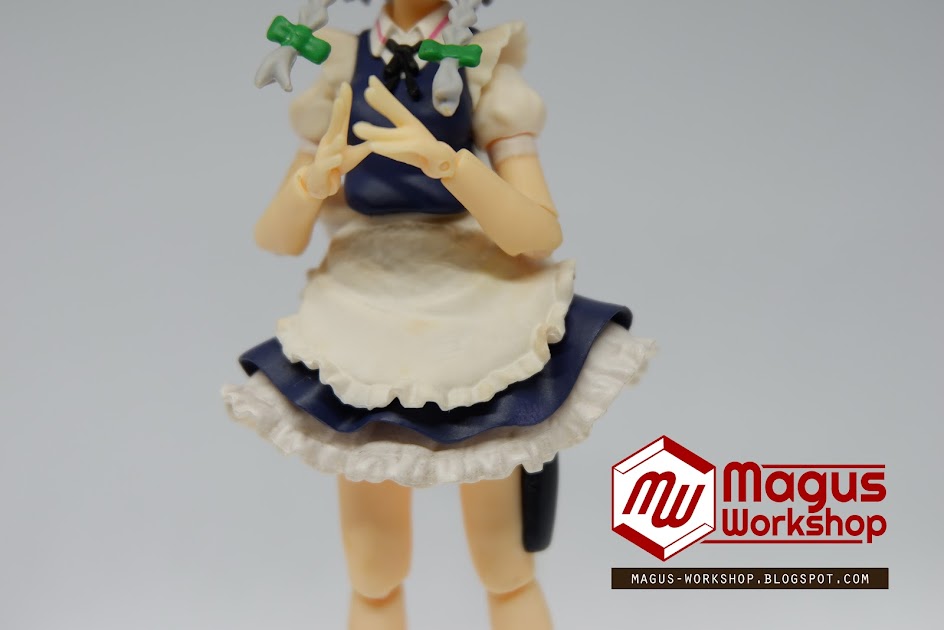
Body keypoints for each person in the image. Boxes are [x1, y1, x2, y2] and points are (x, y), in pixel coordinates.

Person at [223, 1, 655, 628]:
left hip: (474, 303)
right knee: (373, 571)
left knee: (504, 565)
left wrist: (453, 168)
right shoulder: (341, 64)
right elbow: (277, 239)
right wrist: (309, 186)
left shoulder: (482, 69)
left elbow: (538, 234)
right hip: (363, 306)